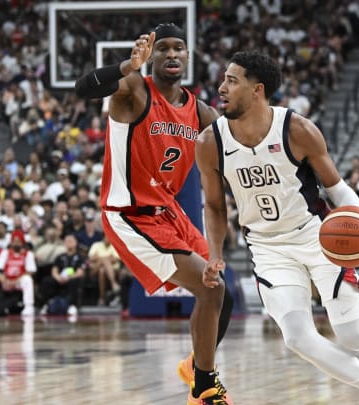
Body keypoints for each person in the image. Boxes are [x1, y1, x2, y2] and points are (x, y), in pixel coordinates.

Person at [196, 51, 359, 405]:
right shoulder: (211, 142)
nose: (221, 87)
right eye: (224, 78)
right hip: (267, 247)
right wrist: (214, 254)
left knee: (355, 338)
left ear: (257, 90)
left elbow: (336, 188)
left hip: (317, 236)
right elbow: (213, 205)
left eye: (231, 80)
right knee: (298, 337)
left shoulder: (298, 130)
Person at [74, 23, 233, 404]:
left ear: (188, 56)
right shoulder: (133, 90)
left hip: (169, 212)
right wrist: (126, 67)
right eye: (163, 49)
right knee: (212, 287)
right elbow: (83, 89)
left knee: (221, 295)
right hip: (129, 213)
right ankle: (205, 387)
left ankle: (196, 365)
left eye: (179, 48)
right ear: (153, 55)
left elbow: (238, 145)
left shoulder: (202, 112)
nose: (172, 55)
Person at [36, 234, 86, 316]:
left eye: (71, 241)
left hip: (72, 279)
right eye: (67, 241)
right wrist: (58, 277)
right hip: (60, 279)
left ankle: (72, 305)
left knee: (76, 281)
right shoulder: (60, 257)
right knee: (47, 281)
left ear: (75, 243)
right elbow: (54, 270)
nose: (69, 243)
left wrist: (68, 278)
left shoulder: (80, 257)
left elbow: (80, 272)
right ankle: (46, 305)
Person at [0, 230, 36, 316]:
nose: (16, 244)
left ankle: (29, 306)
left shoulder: (28, 254)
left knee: (27, 280)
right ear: (11, 242)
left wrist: (16, 281)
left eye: (18, 241)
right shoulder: (5, 253)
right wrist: (4, 280)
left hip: (19, 281)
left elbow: (31, 271)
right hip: (6, 281)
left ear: (22, 242)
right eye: (14, 241)